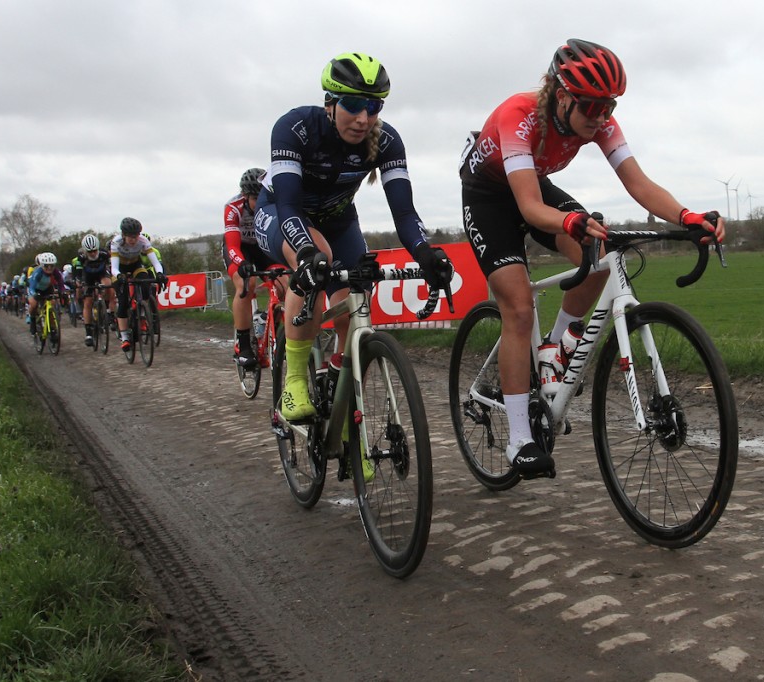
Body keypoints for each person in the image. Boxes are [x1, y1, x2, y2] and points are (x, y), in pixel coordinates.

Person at [458, 38, 725, 477]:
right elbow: (527, 207)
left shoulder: (597, 120)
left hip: (531, 185)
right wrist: (569, 223)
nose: (601, 117)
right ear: (562, 96)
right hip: (490, 197)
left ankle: (554, 350)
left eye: (609, 107)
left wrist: (687, 215)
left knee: (598, 251)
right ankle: (520, 438)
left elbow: (638, 183)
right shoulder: (518, 115)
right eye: (591, 107)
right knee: (520, 306)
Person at [254, 51, 451, 423]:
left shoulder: (388, 140)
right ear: (330, 103)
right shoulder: (295, 127)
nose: (363, 119)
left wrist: (426, 253)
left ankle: (339, 381)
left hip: (339, 221)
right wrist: (307, 252)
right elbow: (290, 205)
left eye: (373, 107)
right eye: (353, 105)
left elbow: (405, 213)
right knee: (317, 261)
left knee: (356, 298)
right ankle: (294, 382)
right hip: (280, 213)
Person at [222, 167, 276, 367]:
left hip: (263, 247)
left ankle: (272, 324)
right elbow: (232, 243)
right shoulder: (233, 207)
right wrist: (241, 262)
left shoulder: (273, 203)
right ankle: (242, 345)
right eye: (255, 198)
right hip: (240, 249)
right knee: (247, 284)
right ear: (245, 196)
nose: (260, 202)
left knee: (285, 283)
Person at [110, 218, 166, 352]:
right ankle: (124, 337)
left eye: (135, 236)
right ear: (123, 235)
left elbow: (156, 262)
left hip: (136, 265)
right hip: (120, 269)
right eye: (130, 237)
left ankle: (141, 312)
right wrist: (118, 276)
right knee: (123, 302)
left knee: (146, 285)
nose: (133, 240)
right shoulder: (116, 242)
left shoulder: (143, 241)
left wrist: (159, 274)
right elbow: (114, 267)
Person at [76, 233, 114, 347]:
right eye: (90, 251)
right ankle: (88, 333)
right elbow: (78, 274)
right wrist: (79, 282)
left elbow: (112, 267)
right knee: (88, 302)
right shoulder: (81, 258)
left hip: (101, 274)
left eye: (94, 250)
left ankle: (108, 310)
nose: (92, 253)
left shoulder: (104, 254)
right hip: (88, 277)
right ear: (85, 251)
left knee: (108, 285)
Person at [26, 252, 67, 338]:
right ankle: (32, 320)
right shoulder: (38, 272)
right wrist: (34, 294)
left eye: (52, 266)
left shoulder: (56, 272)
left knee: (52, 304)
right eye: (46, 266)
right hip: (35, 289)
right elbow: (32, 287)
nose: (49, 268)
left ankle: (52, 328)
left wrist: (62, 292)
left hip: (47, 289)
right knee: (34, 304)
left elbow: (60, 284)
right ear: (42, 265)